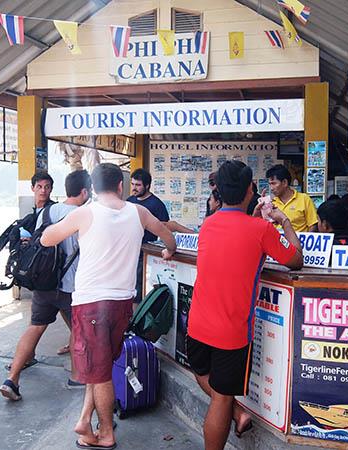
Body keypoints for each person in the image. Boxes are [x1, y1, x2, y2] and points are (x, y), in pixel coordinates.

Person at [40, 163, 176, 450]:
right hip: (122, 303)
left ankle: (105, 433)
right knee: (100, 364)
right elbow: (167, 235)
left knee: (99, 372)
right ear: (120, 186)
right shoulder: (138, 212)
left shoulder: (85, 213)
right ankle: (84, 419)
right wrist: (169, 250)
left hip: (90, 304)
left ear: (92, 188)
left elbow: (46, 238)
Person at [187, 160, 303, 450]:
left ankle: (237, 413)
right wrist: (284, 222)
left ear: (220, 192)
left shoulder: (208, 224)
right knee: (222, 398)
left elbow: (235, 236)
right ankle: (232, 412)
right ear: (251, 189)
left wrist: (256, 219)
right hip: (231, 334)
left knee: (205, 377)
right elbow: (295, 259)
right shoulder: (260, 230)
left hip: (197, 325)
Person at [0, 170, 92, 402]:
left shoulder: (47, 211)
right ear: (85, 191)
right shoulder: (87, 215)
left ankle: (12, 378)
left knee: (35, 326)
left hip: (43, 283)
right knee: (79, 330)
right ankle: (76, 377)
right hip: (72, 286)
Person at [127, 168, 170, 305]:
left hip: (143, 256)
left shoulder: (157, 205)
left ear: (147, 186)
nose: (134, 188)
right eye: (133, 184)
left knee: (138, 293)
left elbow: (166, 228)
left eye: (138, 185)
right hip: (127, 253)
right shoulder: (129, 201)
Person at [265, 164, 318, 232]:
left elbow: (313, 224)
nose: (271, 188)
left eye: (274, 183)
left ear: (285, 182)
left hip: (298, 241)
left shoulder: (304, 199)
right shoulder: (271, 203)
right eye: (270, 184)